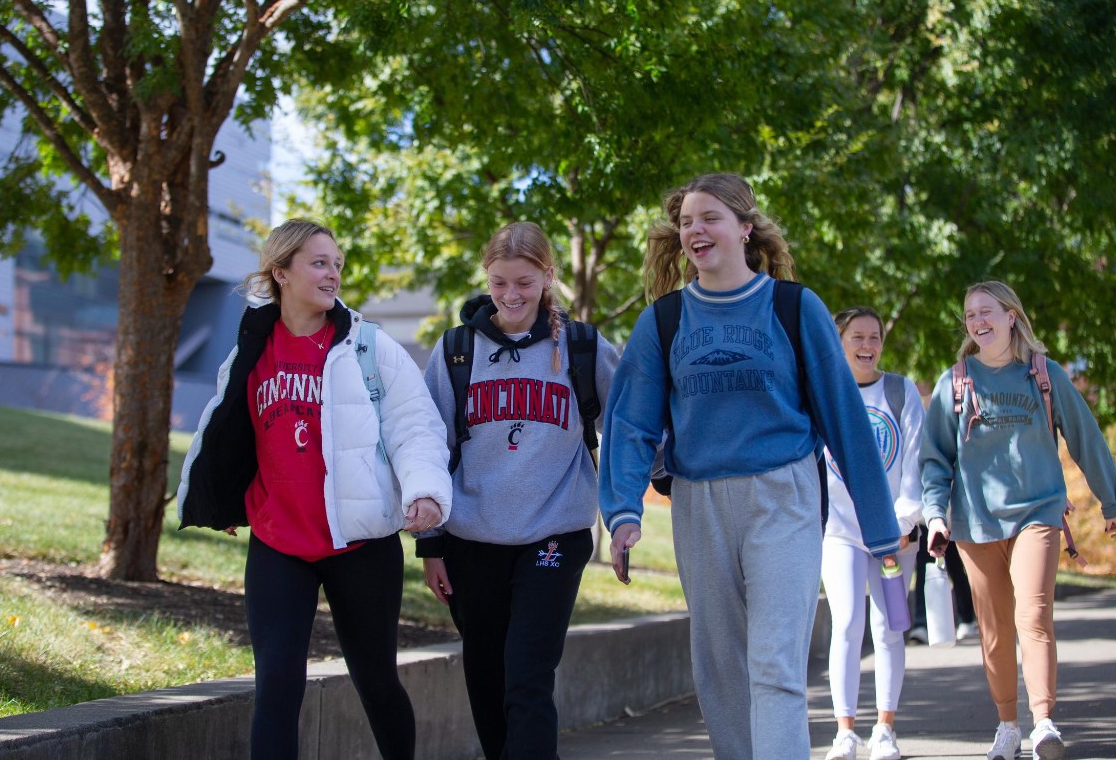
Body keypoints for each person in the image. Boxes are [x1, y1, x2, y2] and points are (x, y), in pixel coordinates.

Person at [599, 173, 901, 760]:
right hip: (699, 501)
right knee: (719, 666)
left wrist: (880, 526)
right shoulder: (662, 321)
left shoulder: (793, 308)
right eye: (686, 221)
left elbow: (844, 417)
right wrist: (622, 510)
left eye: (709, 217)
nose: (695, 230)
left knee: (774, 662)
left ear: (744, 227)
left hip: (783, 496)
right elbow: (631, 424)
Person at [177, 219, 452, 760]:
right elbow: (231, 429)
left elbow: (415, 427)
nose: (334, 275)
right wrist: (225, 495)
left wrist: (423, 492)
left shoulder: (370, 347)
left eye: (337, 265)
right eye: (320, 263)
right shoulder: (251, 353)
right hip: (279, 543)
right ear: (281, 272)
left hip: (361, 544)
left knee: (375, 679)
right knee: (277, 686)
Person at [417, 221, 620, 760]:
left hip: (553, 533)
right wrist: (432, 543)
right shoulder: (457, 350)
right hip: (471, 541)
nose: (511, 295)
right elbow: (430, 447)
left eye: (525, 283)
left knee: (528, 675)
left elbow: (632, 422)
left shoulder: (581, 347)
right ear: (487, 278)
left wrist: (635, 503)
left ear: (548, 277)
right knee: (486, 676)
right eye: (500, 282)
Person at [919, 281, 1116, 760]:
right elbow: (935, 460)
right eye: (970, 315)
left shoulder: (1043, 375)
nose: (977, 322)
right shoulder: (955, 382)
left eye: (986, 312)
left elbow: (1085, 436)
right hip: (974, 523)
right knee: (993, 629)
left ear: (1012, 316)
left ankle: (1044, 722)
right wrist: (934, 515)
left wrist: (1111, 502)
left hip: (1038, 512)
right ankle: (1007, 725)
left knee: (1032, 616)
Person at [821, 307, 925, 760]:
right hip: (839, 531)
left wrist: (903, 525)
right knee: (845, 622)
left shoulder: (901, 392)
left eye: (875, 337)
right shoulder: (824, 392)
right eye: (857, 337)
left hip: (892, 536)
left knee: (888, 629)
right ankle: (845, 731)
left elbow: (915, 463)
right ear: (840, 342)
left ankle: (885, 729)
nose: (867, 346)